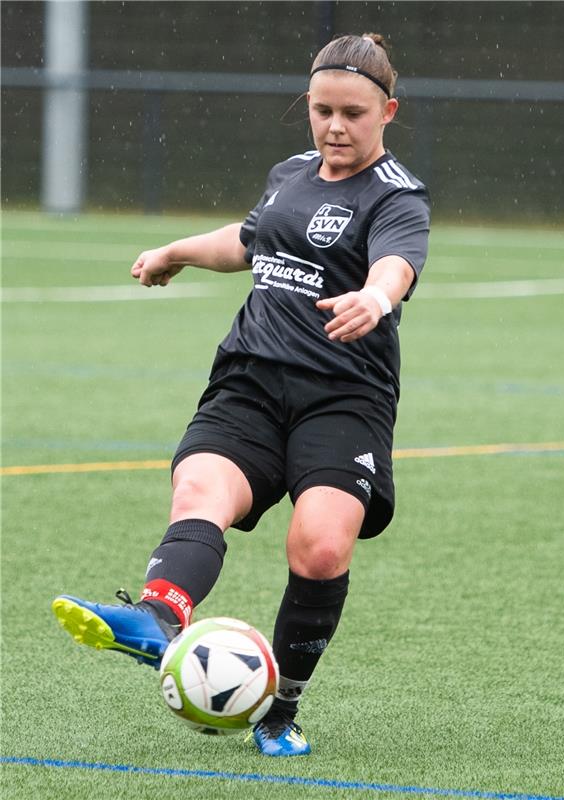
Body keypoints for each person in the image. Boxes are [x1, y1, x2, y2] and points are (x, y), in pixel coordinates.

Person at [52, 32, 430, 757]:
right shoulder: (290, 173)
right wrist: (177, 253)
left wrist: (376, 302)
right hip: (251, 379)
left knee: (319, 547)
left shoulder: (398, 196)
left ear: (387, 111)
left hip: (343, 395)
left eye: (352, 113)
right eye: (322, 110)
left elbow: (395, 265)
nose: (334, 127)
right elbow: (251, 240)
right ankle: (157, 617)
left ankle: (280, 708)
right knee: (200, 489)